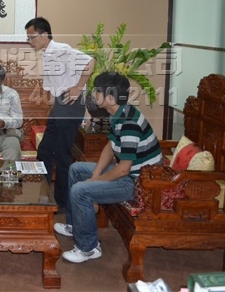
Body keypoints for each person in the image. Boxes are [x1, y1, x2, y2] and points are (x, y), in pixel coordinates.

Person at [54, 72, 162, 263]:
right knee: (76, 169)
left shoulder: (129, 123)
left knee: (80, 191)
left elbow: (123, 170)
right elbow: (110, 147)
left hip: (138, 183)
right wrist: (96, 174)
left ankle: (88, 248)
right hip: (127, 173)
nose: (94, 94)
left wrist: (94, 181)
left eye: (97, 91)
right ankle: (74, 225)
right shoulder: (119, 113)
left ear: (110, 98)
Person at [25, 17, 95, 211]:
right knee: (45, 150)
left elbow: (90, 62)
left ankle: (62, 203)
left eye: (31, 37)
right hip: (60, 105)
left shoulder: (61, 50)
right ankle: (45, 196)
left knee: (62, 154)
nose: (29, 41)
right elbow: (52, 88)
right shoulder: (47, 55)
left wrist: (78, 87)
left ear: (44, 34)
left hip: (70, 105)